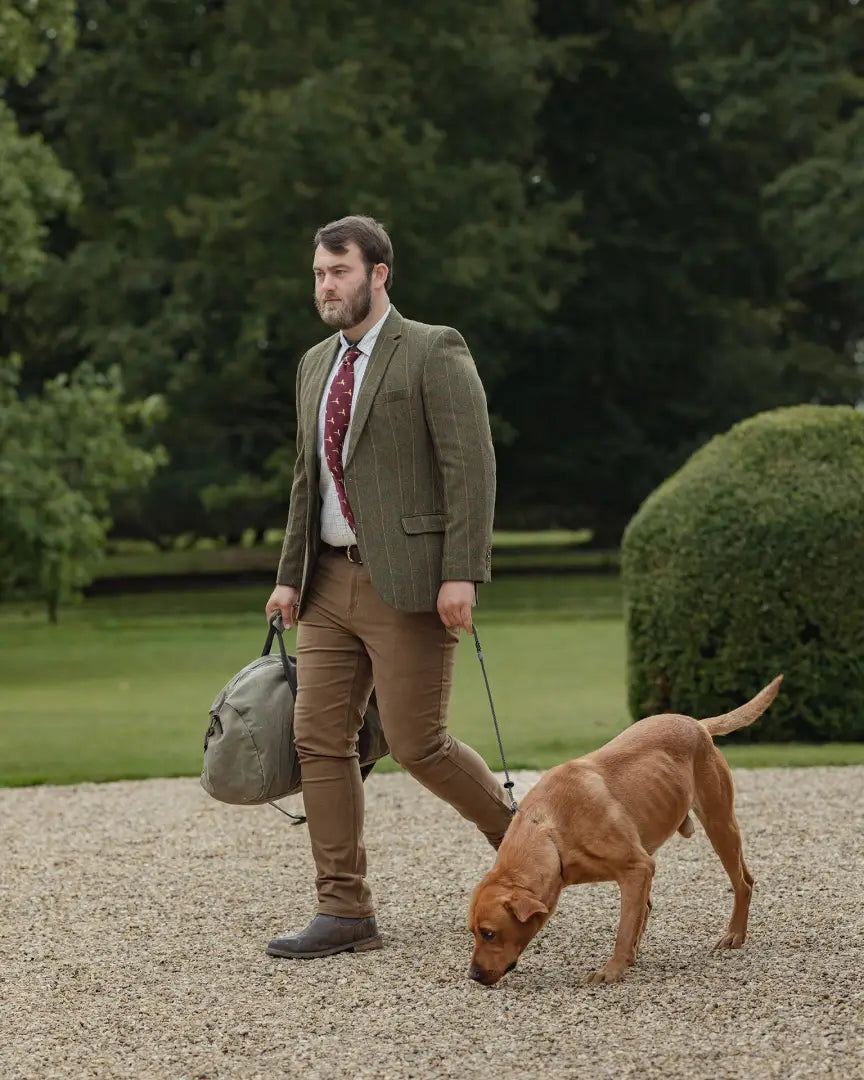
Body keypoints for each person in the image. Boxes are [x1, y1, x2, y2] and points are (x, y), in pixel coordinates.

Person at [264, 215, 512, 959]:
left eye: (338, 271)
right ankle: (344, 910)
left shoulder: (434, 349)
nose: (325, 286)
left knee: (417, 744)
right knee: (318, 741)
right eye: (317, 273)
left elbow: (472, 466)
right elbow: (307, 482)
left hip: (409, 583)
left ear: (379, 274)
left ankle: (529, 841)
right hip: (327, 584)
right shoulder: (314, 365)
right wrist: (287, 578)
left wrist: (461, 571)